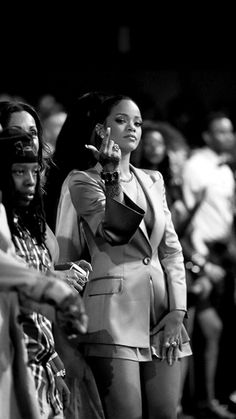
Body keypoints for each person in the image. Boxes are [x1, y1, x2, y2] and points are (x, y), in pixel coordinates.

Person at [61, 93, 192, 419]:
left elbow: (171, 251)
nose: (132, 128)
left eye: (137, 122)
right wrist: (110, 176)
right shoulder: (82, 180)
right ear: (101, 130)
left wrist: (178, 310)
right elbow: (114, 232)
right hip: (113, 316)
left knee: (166, 414)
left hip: (161, 314)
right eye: (121, 120)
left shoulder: (153, 179)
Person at [0, 126, 90, 419]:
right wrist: (55, 290)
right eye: (18, 172)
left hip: (38, 361)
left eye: (35, 171)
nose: (30, 181)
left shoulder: (27, 225)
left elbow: (31, 311)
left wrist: (54, 364)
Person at [181, 110, 236, 418]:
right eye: (222, 131)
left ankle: (209, 399)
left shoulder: (224, 168)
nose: (229, 137)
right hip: (201, 257)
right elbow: (185, 220)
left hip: (223, 254)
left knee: (215, 329)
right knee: (199, 330)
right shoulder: (195, 168)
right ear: (206, 135)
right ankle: (191, 403)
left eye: (230, 131)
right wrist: (199, 260)